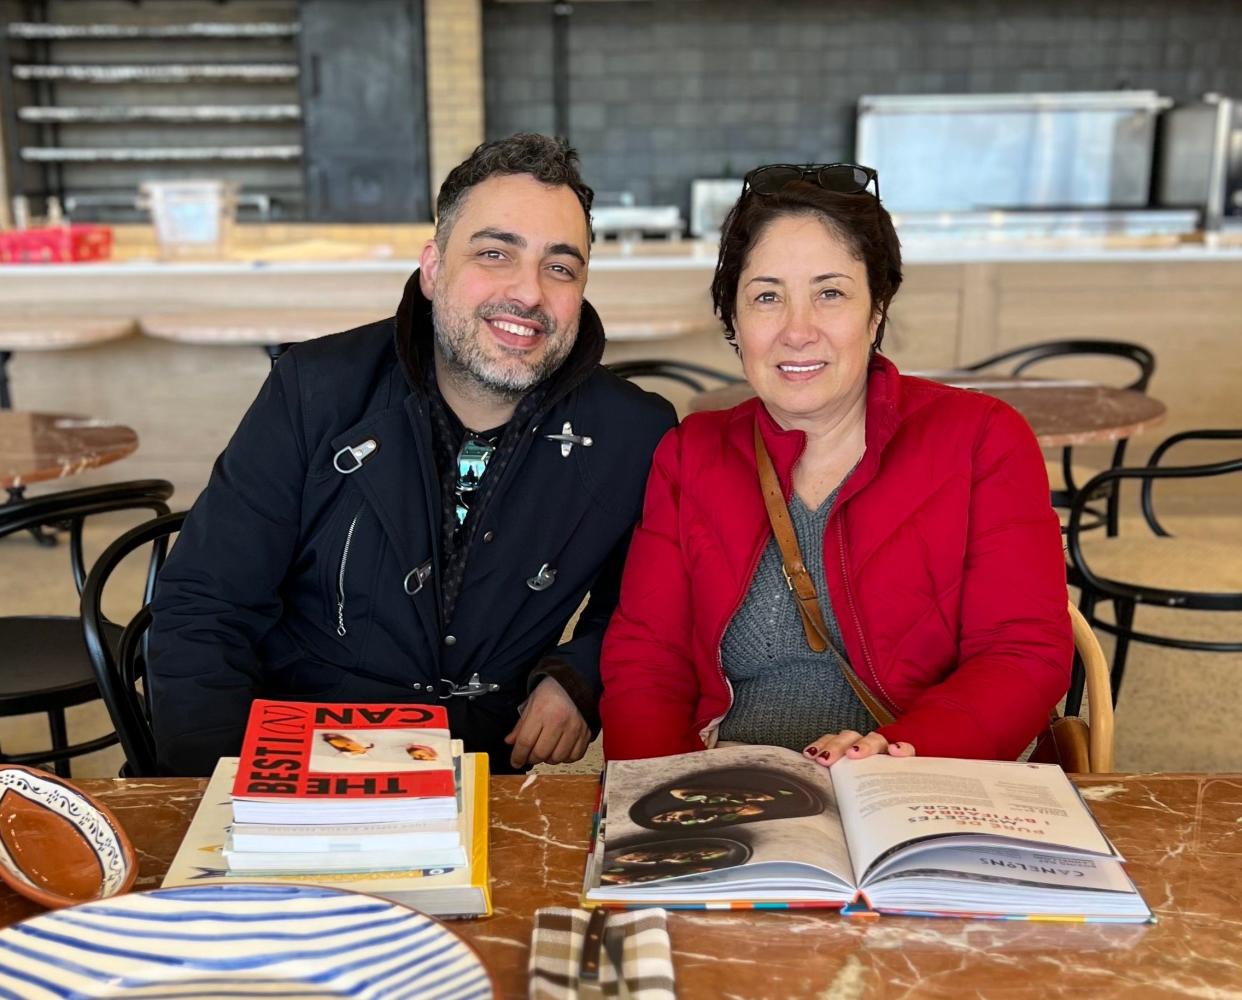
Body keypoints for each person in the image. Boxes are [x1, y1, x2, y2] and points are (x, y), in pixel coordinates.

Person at [149, 133, 676, 776]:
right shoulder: (316, 388)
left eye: (560, 267)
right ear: (433, 270)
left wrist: (578, 676)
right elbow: (207, 606)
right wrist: (223, 791)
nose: (530, 293)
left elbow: (648, 602)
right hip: (301, 757)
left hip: (484, 771)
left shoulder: (632, 431)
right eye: (494, 253)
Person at [600, 163, 1071, 766]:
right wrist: (663, 802)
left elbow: (1022, 653)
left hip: (911, 785)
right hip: (730, 794)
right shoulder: (691, 453)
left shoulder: (983, 440)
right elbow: (647, 660)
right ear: (734, 322)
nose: (797, 331)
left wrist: (898, 752)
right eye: (767, 296)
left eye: (831, 293)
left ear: (876, 310)